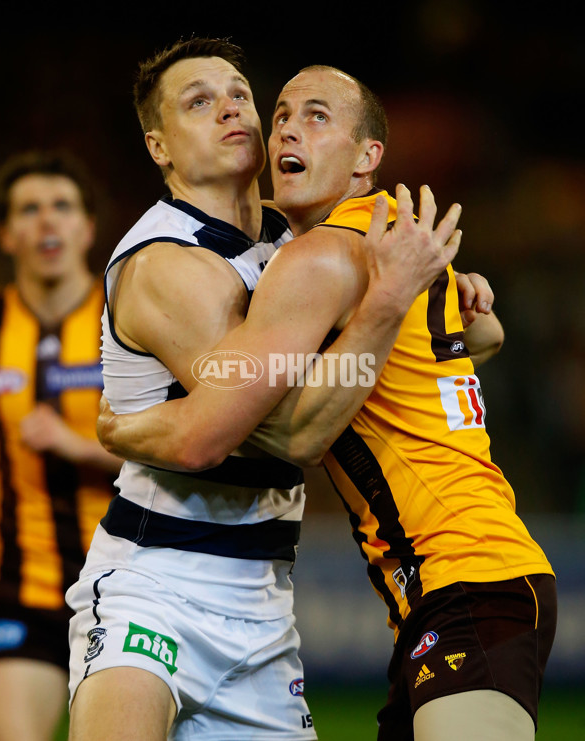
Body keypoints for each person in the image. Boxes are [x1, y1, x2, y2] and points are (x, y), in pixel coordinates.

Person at [98, 63, 556, 741]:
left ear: (368, 156)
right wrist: (450, 296)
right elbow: (484, 335)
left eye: (317, 116)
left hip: (464, 577)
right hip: (469, 580)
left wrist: (130, 428)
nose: (287, 125)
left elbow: (283, 432)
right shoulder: (388, 235)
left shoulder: (319, 259)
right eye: (283, 113)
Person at [0, 150, 122, 741]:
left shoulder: (129, 323)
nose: (47, 222)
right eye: (30, 209)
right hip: (20, 588)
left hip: (129, 584)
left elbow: (195, 447)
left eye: (62, 207)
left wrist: (79, 445)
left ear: (87, 228)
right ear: (6, 233)